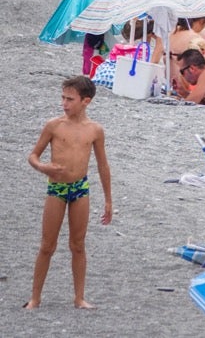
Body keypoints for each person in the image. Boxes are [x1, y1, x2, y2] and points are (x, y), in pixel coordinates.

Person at [26, 75, 112, 310]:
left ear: (86, 101)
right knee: (47, 245)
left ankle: (79, 297)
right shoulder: (54, 125)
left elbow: (103, 165)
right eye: (63, 98)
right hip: (56, 188)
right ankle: (35, 297)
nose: (64, 104)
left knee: (78, 244)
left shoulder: (95, 130)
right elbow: (33, 155)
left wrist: (108, 200)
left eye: (70, 99)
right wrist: (43, 167)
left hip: (80, 188)